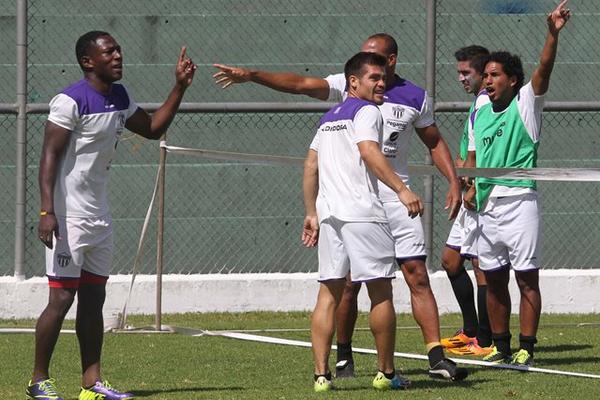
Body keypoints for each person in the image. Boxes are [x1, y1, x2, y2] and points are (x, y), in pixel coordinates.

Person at [214, 33, 466, 380]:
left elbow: (433, 141)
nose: (371, 70)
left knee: (415, 274)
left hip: (388, 199)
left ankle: (434, 357)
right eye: (365, 63)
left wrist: (452, 180)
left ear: (391, 61)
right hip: (364, 201)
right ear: (355, 80)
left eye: (376, 61)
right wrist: (253, 75)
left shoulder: (413, 97)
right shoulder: (354, 95)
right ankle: (355, 360)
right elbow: (302, 85)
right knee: (354, 285)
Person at [27, 31, 196, 400]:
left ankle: (92, 384)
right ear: (88, 61)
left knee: (94, 300)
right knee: (61, 299)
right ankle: (38, 380)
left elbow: (152, 128)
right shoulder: (69, 101)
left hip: (99, 218)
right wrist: (46, 211)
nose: (118, 55)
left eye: (118, 49)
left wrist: (179, 87)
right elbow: (49, 157)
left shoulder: (120, 96)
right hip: (68, 219)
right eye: (109, 52)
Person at [302, 51, 422, 392]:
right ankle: (386, 373)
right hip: (363, 214)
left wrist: (311, 213)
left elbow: (310, 166)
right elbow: (370, 151)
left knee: (328, 293)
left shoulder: (328, 118)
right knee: (380, 291)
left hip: (330, 217)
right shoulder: (368, 111)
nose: (382, 83)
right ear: (353, 82)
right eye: (374, 78)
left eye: (383, 78)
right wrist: (402, 189)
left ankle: (321, 376)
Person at [464, 1, 570, 366]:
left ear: (512, 80)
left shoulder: (526, 103)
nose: (487, 80)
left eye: (495, 75)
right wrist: (468, 187)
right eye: (485, 75)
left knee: (526, 279)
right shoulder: (480, 112)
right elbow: (474, 161)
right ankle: (501, 346)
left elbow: (544, 68)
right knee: (493, 280)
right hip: (486, 206)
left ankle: (527, 346)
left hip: (519, 201)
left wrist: (552, 33)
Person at [440, 45, 493, 356]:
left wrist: (471, 183)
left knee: (481, 266)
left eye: (466, 72)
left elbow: (482, 153)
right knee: (451, 260)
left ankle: (484, 340)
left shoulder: (486, 103)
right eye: (459, 72)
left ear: (482, 73)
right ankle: (471, 330)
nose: (461, 78)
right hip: (470, 190)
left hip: (480, 195)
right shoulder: (478, 103)